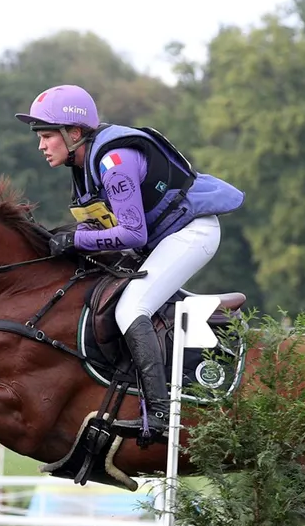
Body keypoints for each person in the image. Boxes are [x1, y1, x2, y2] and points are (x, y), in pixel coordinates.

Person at [16, 84, 245, 435]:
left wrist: (76, 239)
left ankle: (159, 414)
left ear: (74, 133)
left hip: (191, 233)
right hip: (165, 239)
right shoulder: (83, 166)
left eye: (47, 136)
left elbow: (133, 233)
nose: (41, 146)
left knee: (130, 309)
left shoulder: (114, 162)